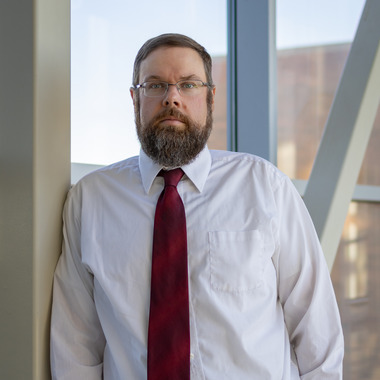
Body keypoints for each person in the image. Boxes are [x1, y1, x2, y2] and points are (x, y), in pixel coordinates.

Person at [50, 33, 344, 379]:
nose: (172, 98)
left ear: (210, 98)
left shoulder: (265, 187)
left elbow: (316, 329)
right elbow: (75, 345)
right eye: (155, 85)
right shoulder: (91, 201)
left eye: (188, 85)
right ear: (134, 99)